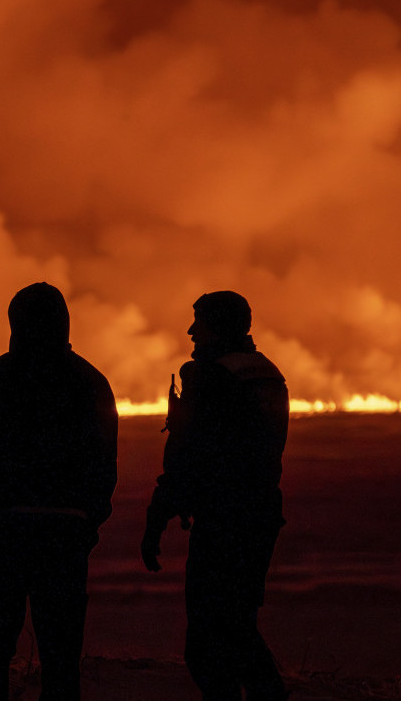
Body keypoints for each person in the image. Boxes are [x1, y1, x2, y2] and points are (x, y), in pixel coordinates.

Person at [0, 282, 118, 701]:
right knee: (61, 660)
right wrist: (86, 524)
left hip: (3, 534)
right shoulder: (90, 381)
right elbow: (106, 466)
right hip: (64, 536)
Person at [140, 290, 289, 701]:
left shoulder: (211, 377)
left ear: (216, 325)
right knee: (237, 623)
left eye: (198, 321)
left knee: (211, 640)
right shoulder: (266, 373)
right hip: (259, 518)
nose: (191, 331)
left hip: (224, 522)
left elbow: (188, 457)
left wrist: (156, 520)